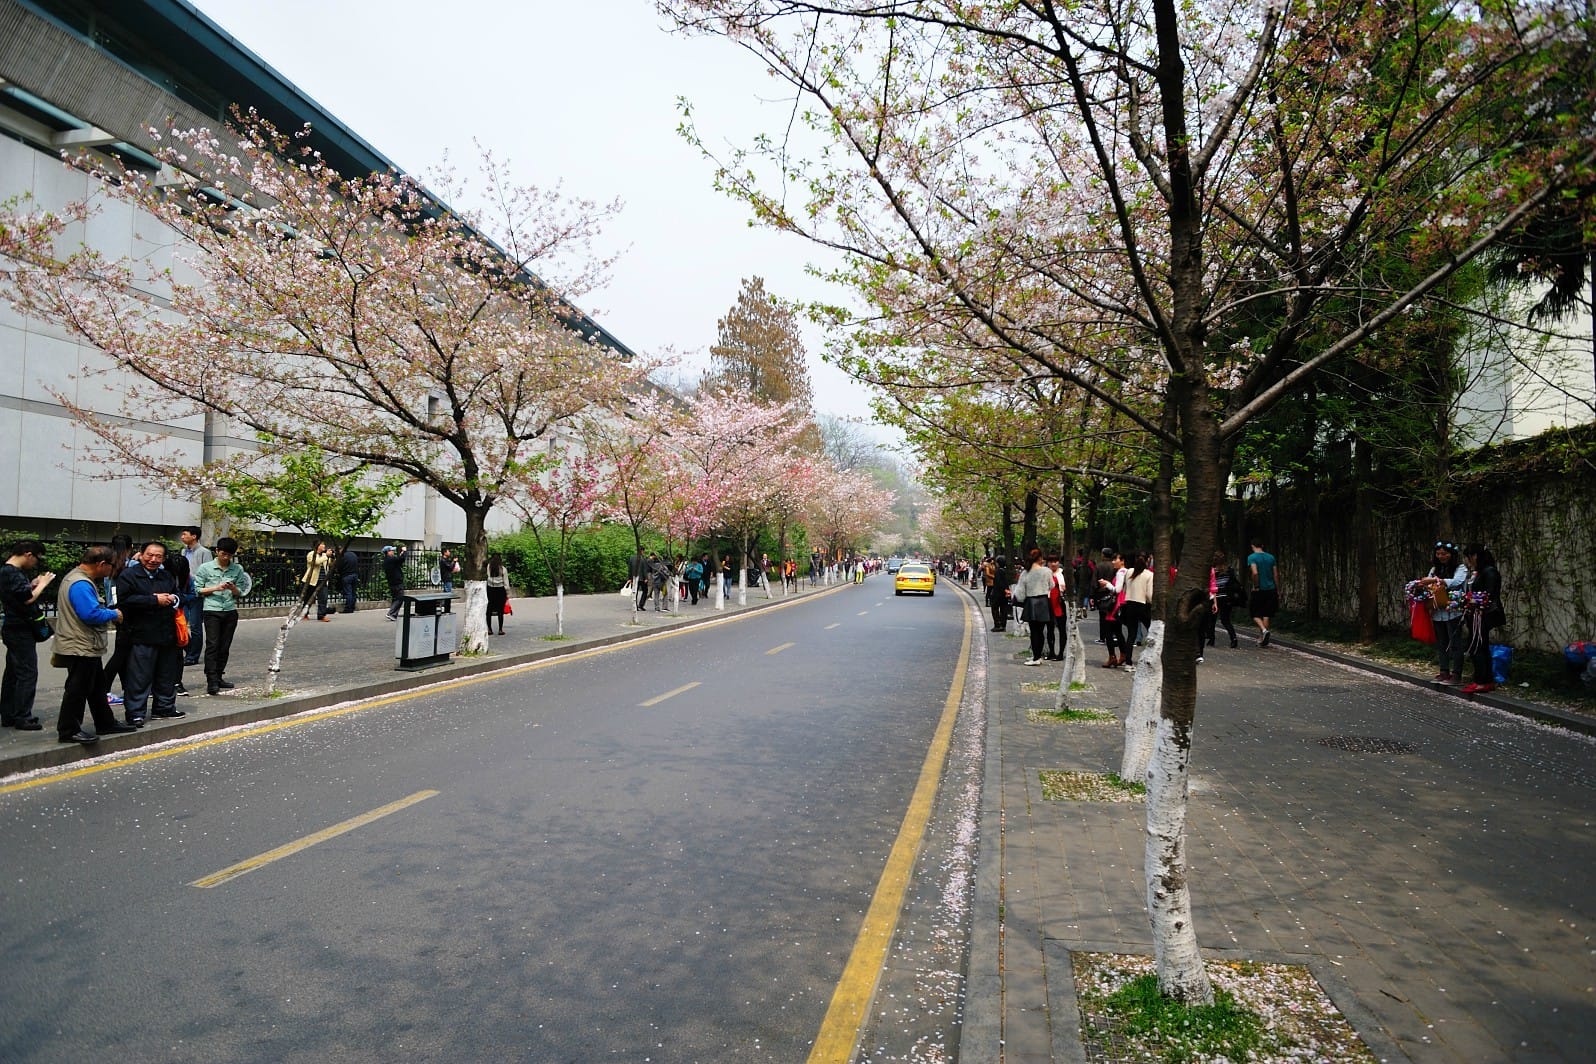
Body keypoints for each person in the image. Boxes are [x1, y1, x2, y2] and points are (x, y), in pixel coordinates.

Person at [52, 546, 138, 743]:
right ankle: (68, 729)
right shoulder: (80, 583)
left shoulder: (77, 578)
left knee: (97, 687)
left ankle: (105, 722)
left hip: (85, 645)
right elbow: (90, 614)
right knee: (78, 688)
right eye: (112, 566)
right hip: (80, 645)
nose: (112, 571)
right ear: (101, 564)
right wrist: (114, 614)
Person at [115, 541, 185, 724]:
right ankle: (135, 712)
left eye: (158, 556)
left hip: (166, 633)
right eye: (149, 555)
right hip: (141, 634)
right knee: (139, 676)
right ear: (141, 554)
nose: (153, 560)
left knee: (166, 675)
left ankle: (164, 708)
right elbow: (124, 600)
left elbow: (179, 595)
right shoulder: (128, 575)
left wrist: (174, 598)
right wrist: (154, 600)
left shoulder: (166, 575)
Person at [1, 539, 55, 731]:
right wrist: (43, 584)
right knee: (27, 673)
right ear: (28, 554)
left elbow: (19, 594)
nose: (35, 564)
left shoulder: (10, 572)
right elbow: (27, 599)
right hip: (20, 629)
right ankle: (23, 716)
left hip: (14, 627)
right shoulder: (10, 572)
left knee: (14, 673)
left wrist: (32, 584)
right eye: (36, 559)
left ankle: (8, 714)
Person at [194, 537, 253, 696]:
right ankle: (211, 680)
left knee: (224, 646)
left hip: (229, 610)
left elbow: (241, 592)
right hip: (211, 610)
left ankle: (219, 676)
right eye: (223, 554)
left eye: (229, 555)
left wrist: (233, 588)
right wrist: (216, 588)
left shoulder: (237, 569)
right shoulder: (206, 568)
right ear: (217, 552)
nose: (225, 557)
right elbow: (197, 590)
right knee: (213, 645)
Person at [1419, 541, 1468, 686]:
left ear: (1452, 554)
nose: (1441, 556)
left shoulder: (1461, 568)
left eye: (1445, 553)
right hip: (1437, 611)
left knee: (1455, 642)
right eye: (1438, 553)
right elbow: (1428, 585)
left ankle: (1457, 673)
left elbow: (1456, 581)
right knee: (1441, 642)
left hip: (1453, 611)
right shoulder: (1434, 569)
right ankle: (1444, 670)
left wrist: (1436, 580)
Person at [1460, 544, 1504, 694]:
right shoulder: (1480, 572)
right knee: (1478, 646)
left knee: (1478, 646)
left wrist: (1473, 602)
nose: (1468, 560)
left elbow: (1489, 595)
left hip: (1483, 615)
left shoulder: (1489, 572)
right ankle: (1483, 679)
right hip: (1476, 614)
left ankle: (1482, 681)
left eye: (1469, 557)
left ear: (1476, 556)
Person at [177, 527, 211, 668]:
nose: (182, 537)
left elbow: (208, 573)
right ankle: (189, 651)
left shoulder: (204, 552)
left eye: (185, 534)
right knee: (182, 624)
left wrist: (192, 578)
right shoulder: (184, 551)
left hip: (197, 592)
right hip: (183, 590)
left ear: (194, 536)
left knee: (196, 625)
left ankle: (193, 656)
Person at [1016, 550, 1054, 665]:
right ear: (1040, 558)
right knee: (1041, 631)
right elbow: (1052, 585)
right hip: (1043, 602)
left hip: (1031, 602)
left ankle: (1036, 657)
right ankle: (1038, 656)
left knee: (1034, 631)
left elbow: (1020, 593)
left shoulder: (1025, 573)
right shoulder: (1047, 571)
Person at [1119, 553, 1154, 668]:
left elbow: (1124, 589)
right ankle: (1152, 658)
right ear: (1147, 561)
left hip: (1129, 604)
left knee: (1131, 635)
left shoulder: (1129, 572)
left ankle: (1128, 662)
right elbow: (1149, 594)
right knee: (1152, 631)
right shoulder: (1149, 575)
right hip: (1142, 605)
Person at [1095, 551, 1129, 668]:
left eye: (1116, 559)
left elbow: (1117, 589)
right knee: (1118, 632)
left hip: (1115, 605)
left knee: (1108, 631)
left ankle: (1112, 657)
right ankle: (1123, 655)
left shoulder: (1120, 572)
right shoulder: (1126, 572)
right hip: (1120, 604)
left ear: (1123, 561)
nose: (1113, 562)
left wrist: (1106, 584)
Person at [1247, 539, 1279, 647]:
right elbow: (1275, 574)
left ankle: (1264, 631)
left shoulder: (1252, 557)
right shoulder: (1271, 557)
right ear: (1262, 545)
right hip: (1271, 589)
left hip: (1259, 589)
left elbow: (1255, 573)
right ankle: (1262, 638)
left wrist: (1256, 586)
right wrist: (1277, 587)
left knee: (1255, 613)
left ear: (1252, 546)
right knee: (1266, 614)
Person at [1210, 550, 1242, 650]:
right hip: (1227, 597)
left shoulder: (1212, 571)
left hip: (1216, 597)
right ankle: (1233, 638)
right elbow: (1234, 583)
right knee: (1226, 620)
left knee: (1212, 620)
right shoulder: (1230, 570)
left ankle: (1212, 639)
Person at [301, 541, 334, 621]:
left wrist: (332, 557)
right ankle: (305, 614)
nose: (324, 545)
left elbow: (330, 564)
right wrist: (326, 555)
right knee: (308, 598)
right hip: (312, 580)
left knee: (323, 598)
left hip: (323, 580)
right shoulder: (311, 554)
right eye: (322, 544)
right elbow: (316, 562)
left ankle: (321, 615)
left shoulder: (324, 555)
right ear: (317, 546)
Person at [1044, 553, 1068, 660]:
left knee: (1062, 628)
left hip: (1060, 603)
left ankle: (1061, 652)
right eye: (1051, 562)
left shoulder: (1063, 573)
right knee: (1049, 628)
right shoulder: (1045, 574)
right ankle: (1051, 652)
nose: (1053, 564)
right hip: (1047, 602)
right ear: (1047, 563)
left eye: (1055, 561)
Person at [382, 544, 409, 621]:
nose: (393, 552)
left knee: (396, 598)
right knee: (400, 598)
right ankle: (391, 613)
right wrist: (404, 551)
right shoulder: (390, 559)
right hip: (396, 582)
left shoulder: (388, 560)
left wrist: (401, 555)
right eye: (392, 551)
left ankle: (393, 615)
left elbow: (398, 562)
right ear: (388, 552)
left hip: (392, 582)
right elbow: (401, 559)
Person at [485, 552, 510, 634]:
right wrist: (507, 593)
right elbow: (506, 583)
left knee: (489, 610)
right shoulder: (503, 569)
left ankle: (489, 629)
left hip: (490, 590)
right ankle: (500, 629)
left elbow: (487, 577)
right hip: (500, 590)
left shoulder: (489, 567)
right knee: (500, 611)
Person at [338, 544, 361, 614]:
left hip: (347, 575)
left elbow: (339, 567)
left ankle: (348, 608)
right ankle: (352, 606)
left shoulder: (342, 556)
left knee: (348, 592)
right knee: (353, 592)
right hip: (355, 575)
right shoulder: (353, 554)